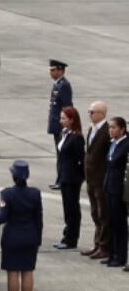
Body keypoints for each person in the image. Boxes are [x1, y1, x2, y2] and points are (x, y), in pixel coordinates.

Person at [0, 160, 44, 291]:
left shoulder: (7, 194)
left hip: (12, 236)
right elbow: (38, 219)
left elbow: (1, 217)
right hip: (30, 236)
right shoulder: (35, 193)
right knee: (27, 271)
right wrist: (38, 239)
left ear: (13, 175)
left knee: (13, 272)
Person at [53, 106, 84, 250]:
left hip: (72, 178)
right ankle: (67, 235)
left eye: (64, 118)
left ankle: (71, 239)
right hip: (64, 177)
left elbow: (80, 159)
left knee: (72, 209)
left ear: (72, 120)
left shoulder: (77, 137)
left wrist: (78, 176)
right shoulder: (64, 134)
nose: (61, 121)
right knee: (67, 208)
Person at [84, 101, 111, 259]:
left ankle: (104, 245)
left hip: (100, 180)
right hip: (91, 179)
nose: (90, 114)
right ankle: (97, 243)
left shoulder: (107, 131)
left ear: (101, 114)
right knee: (95, 212)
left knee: (103, 213)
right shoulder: (92, 129)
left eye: (92, 112)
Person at [104, 116, 129, 268]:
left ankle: (120, 256)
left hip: (119, 189)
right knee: (111, 222)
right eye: (110, 127)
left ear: (122, 129)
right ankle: (112, 252)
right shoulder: (113, 143)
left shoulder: (126, 145)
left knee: (120, 223)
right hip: (109, 186)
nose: (111, 130)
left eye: (114, 127)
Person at [47, 59, 73, 189]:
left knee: (62, 154)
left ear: (61, 70)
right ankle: (60, 179)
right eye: (50, 70)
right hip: (57, 125)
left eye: (53, 70)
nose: (51, 73)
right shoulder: (58, 84)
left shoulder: (64, 85)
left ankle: (62, 181)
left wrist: (67, 125)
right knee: (60, 153)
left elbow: (68, 107)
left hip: (61, 126)